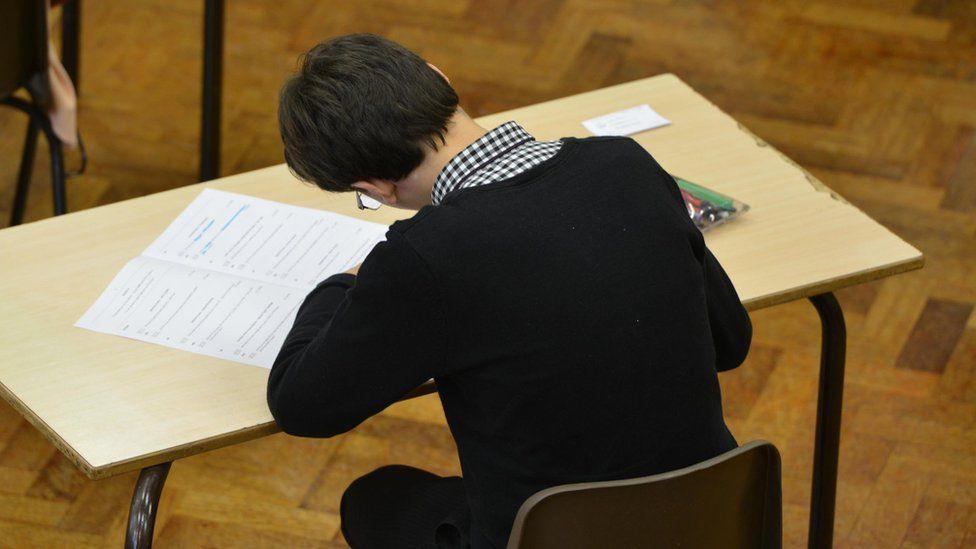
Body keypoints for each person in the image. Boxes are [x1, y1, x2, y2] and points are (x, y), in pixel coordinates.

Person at [268, 33, 752, 549]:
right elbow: (730, 341)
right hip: (714, 517)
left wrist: (345, 281)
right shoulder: (625, 163)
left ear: (375, 188)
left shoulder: (422, 257)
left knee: (374, 498)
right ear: (440, 78)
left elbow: (302, 406)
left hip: (546, 536)